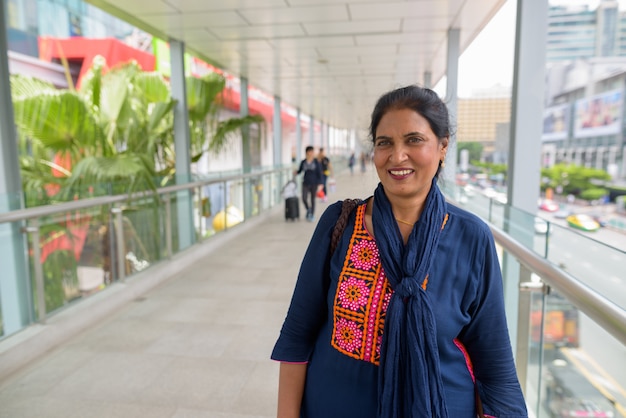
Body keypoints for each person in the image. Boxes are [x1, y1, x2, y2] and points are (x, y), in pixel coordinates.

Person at [272, 85, 527, 418]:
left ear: (443, 146)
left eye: (414, 140)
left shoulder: (471, 237)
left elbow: (495, 365)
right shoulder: (341, 223)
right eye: (384, 143)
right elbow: (297, 334)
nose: (397, 156)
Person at [294, 146, 323, 222]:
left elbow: (320, 173)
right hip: (305, 182)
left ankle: (312, 215)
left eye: (312, 151)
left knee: (312, 199)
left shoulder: (316, 162)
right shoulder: (303, 162)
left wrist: (321, 184)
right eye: (310, 151)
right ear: (307, 152)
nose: (311, 153)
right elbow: (300, 171)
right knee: (304, 198)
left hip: (314, 183)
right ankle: (308, 209)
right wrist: (296, 172)